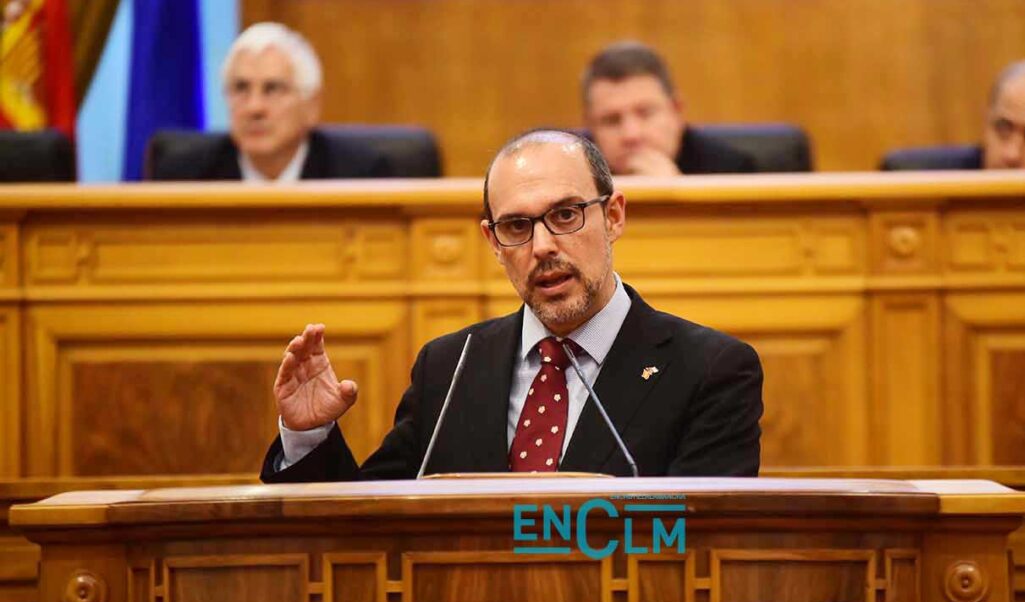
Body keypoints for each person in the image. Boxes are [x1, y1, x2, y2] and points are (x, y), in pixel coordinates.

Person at [261, 130, 763, 481]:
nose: (542, 246)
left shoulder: (709, 370)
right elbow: (369, 531)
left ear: (613, 217)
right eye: (517, 227)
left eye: (565, 215)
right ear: (493, 241)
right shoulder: (451, 367)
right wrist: (310, 436)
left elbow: (699, 540)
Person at [152, 22, 395, 181]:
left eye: (273, 89)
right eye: (241, 88)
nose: (254, 108)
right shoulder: (183, 178)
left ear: (311, 107)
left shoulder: (361, 178)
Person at [581, 41, 756, 176]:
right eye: (612, 120)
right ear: (590, 126)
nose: (631, 135)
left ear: (676, 111)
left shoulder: (732, 171)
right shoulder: (571, 170)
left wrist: (677, 196)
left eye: (645, 113)